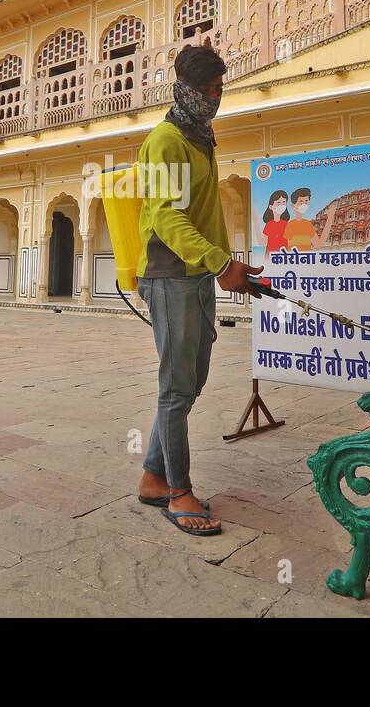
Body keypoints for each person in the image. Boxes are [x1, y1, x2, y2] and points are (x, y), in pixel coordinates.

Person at [135, 44, 261, 536]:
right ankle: (178, 489)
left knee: (192, 378)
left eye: (220, 89)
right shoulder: (167, 140)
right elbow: (166, 215)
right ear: (186, 90)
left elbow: (206, 211)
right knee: (176, 387)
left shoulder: (200, 137)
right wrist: (218, 262)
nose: (216, 98)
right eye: (209, 90)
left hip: (199, 273)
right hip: (170, 274)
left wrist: (225, 265)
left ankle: (152, 475)